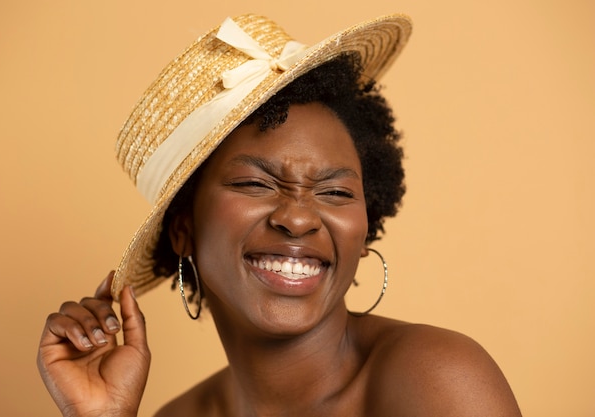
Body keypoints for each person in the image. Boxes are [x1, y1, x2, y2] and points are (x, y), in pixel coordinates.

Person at [37, 14, 522, 416]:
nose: (298, 219)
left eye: (334, 192)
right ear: (183, 229)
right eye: (255, 184)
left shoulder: (437, 380)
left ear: (365, 227)